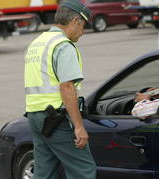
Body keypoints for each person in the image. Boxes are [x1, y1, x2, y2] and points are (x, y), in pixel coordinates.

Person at [24, 0, 96, 178]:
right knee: (83, 171)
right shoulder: (63, 45)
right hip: (56, 119)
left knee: (44, 172)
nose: (83, 32)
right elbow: (67, 86)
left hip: (35, 116)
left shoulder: (38, 43)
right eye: (83, 25)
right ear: (75, 21)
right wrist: (79, 127)